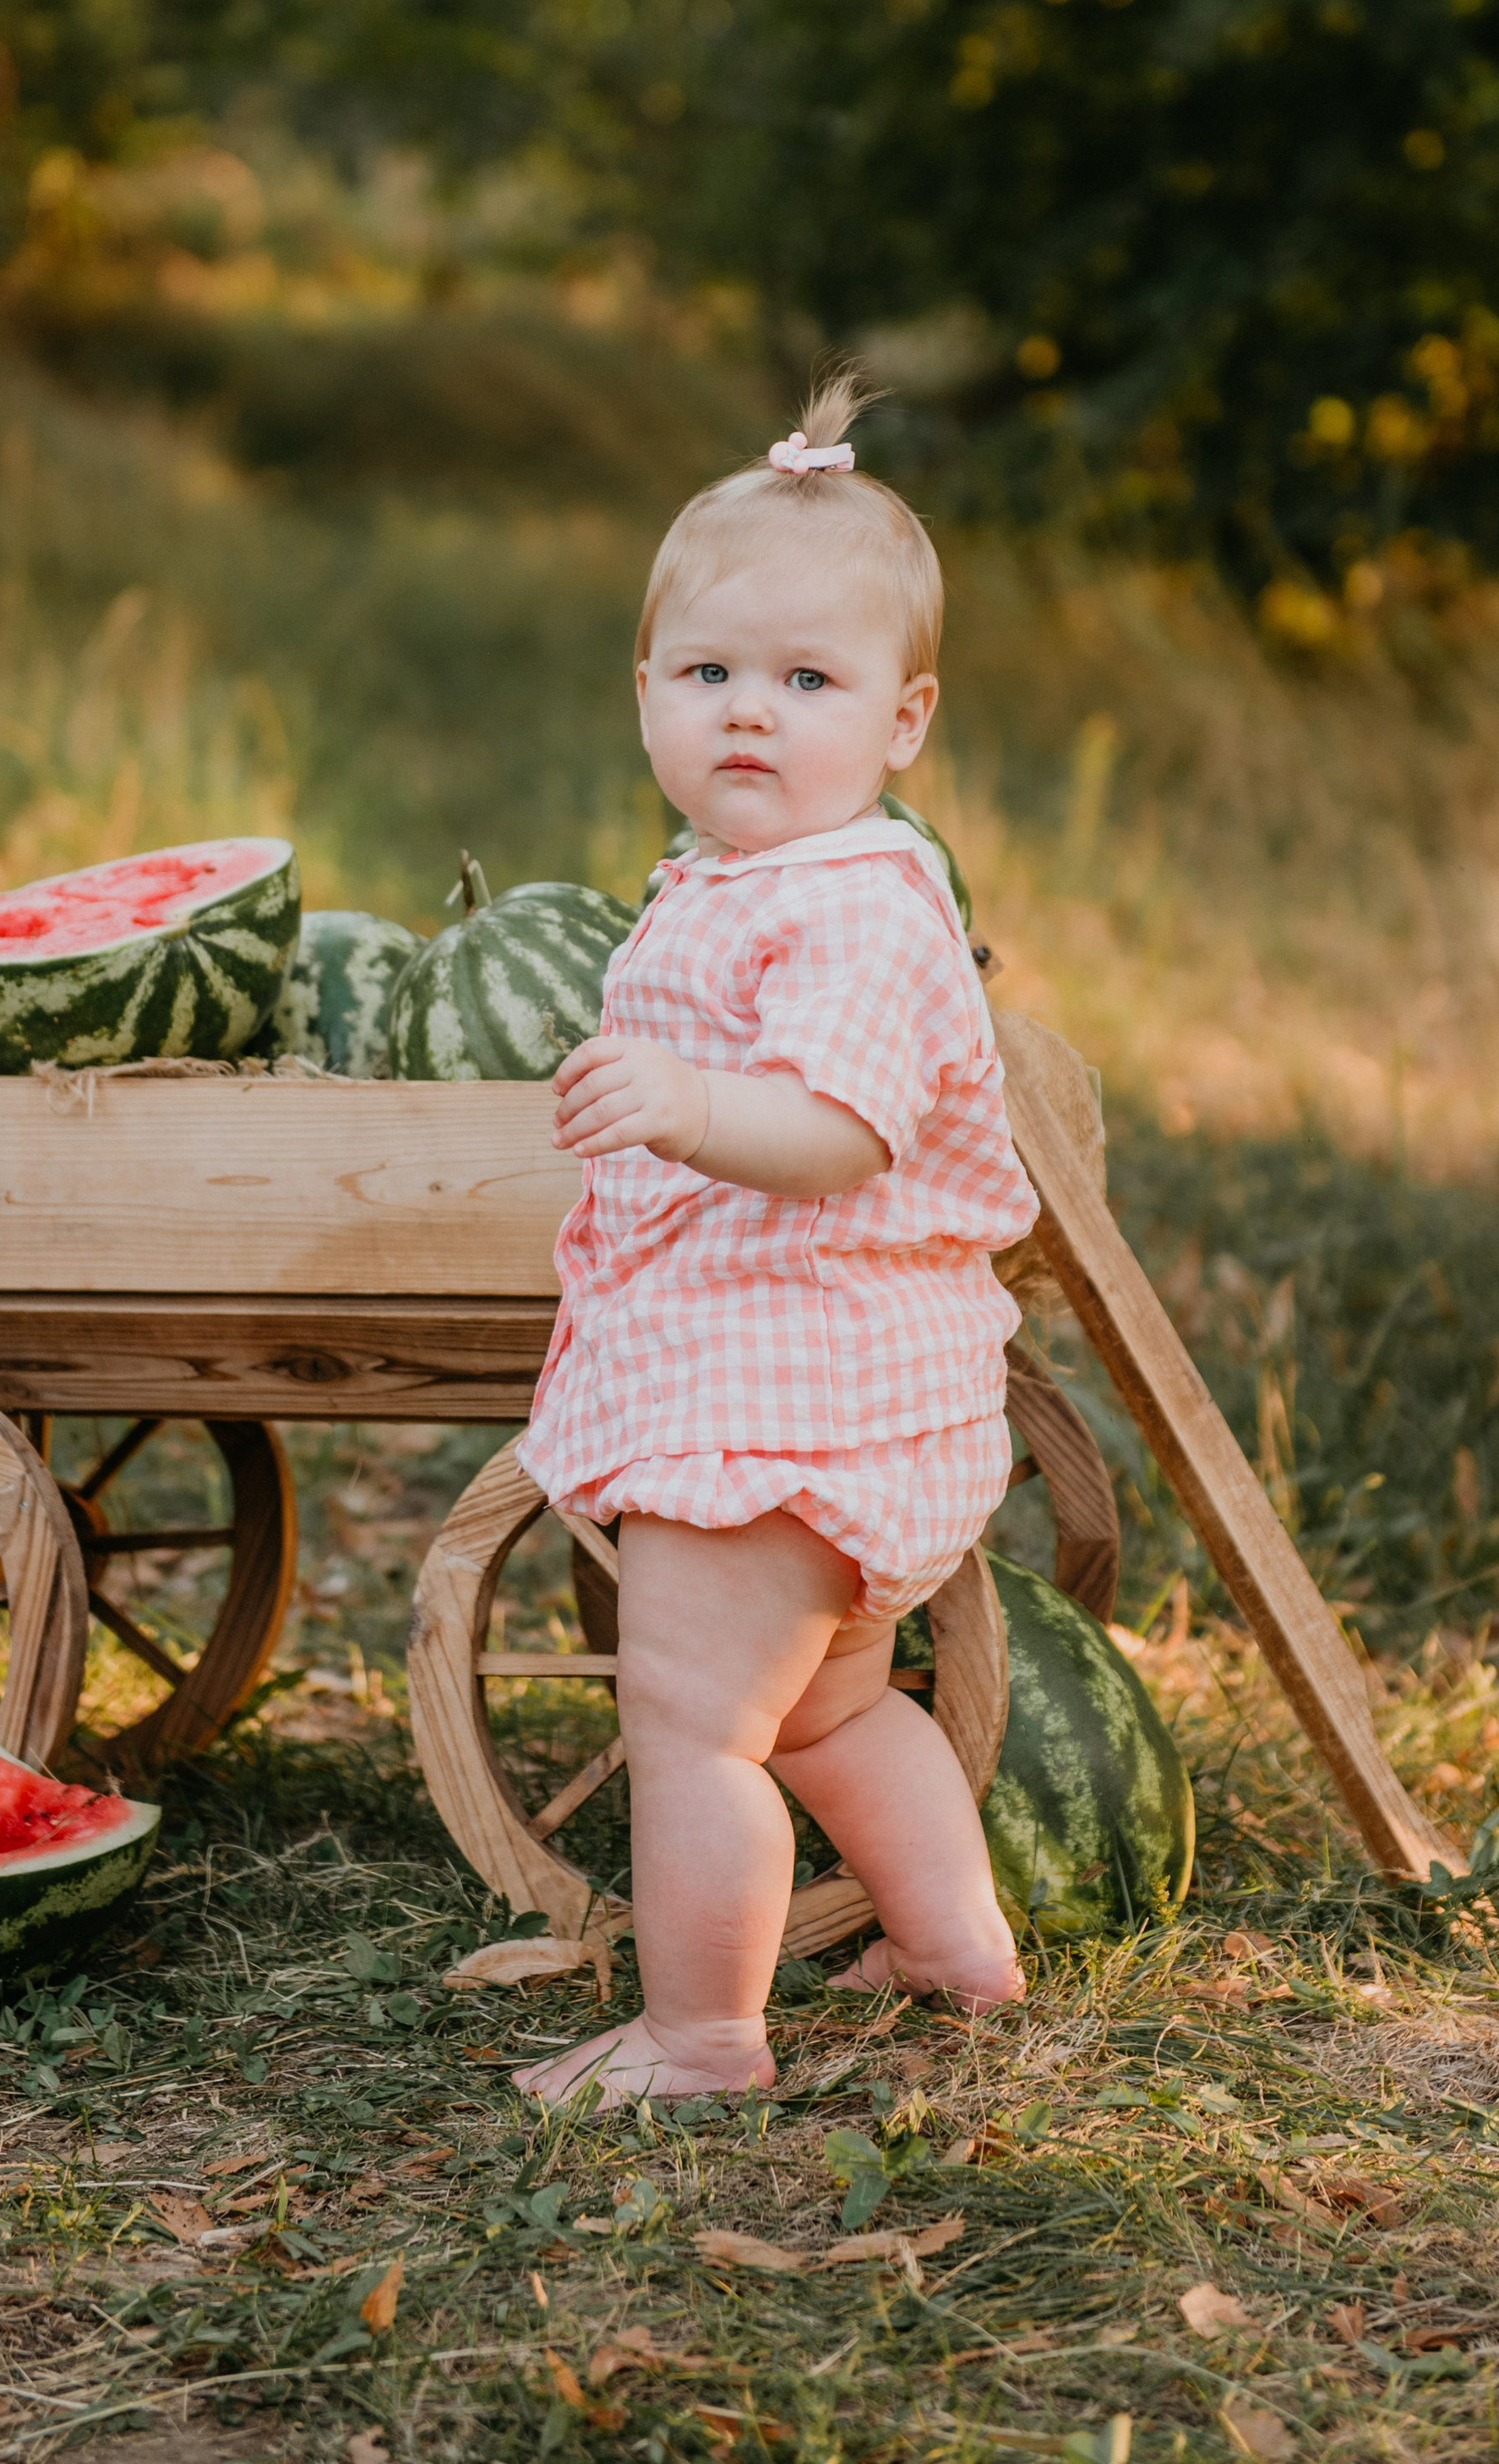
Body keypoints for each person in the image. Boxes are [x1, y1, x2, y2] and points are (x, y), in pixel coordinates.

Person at [513, 371, 1039, 2108]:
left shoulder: (855, 908)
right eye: (709, 675)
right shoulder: (756, 876)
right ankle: (952, 1945)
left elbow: (836, 1136)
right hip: (837, 1397)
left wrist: (672, 1100)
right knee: (822, 1716)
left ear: (904, 720)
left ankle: (700, 2036)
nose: (751, 714)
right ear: (644, 696)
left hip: (780, 1402)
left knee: (691, 1726)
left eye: (807, 683)